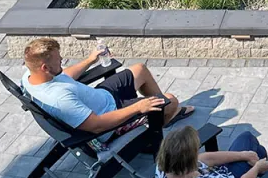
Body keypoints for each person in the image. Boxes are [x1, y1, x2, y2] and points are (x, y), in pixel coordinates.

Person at [21, 37, 192, 134]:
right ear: (45, 68)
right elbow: (97, 126)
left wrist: (90, 60)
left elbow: (65, 76)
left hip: (103, 96)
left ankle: (162, 115)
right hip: (111, 116)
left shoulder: (30, 76)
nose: (62, 61)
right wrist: (138, 107)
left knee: (140, 69)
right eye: (59, 60)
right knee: (171, 100)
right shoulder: (60, 99)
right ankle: (156, 126)